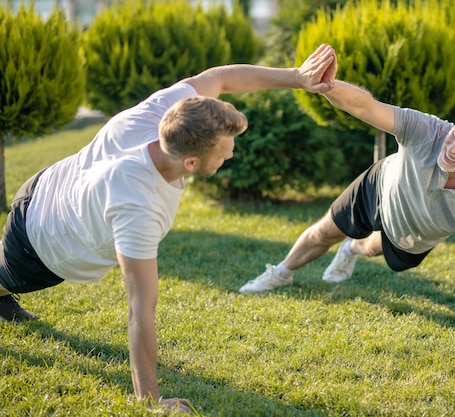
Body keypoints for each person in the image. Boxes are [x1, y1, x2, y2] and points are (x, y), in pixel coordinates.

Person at [0, 44, 337, 413]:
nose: (232, 155)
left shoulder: (170, 114)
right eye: (225, 151)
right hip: (38, 246)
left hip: (44, 184)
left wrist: (297, 78)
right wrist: (150, 400)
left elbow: (221, 79)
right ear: (191, 161)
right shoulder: (137, 204)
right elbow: (140, 309)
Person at [240, 46, 455, 355]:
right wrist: (329, 86)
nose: (453, 148)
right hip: (381, 185)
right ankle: (280, 273)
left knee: (372, 247)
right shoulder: (426, 130)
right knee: (325, 231)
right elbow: (367, 107)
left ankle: (351, 249)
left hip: (415, 233)